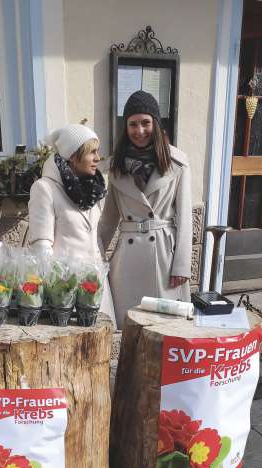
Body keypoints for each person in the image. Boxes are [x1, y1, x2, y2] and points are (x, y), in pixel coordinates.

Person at [99, 90, 192, 328]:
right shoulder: (117, 166)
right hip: (127, 259)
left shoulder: (178, 163)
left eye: (145, 123)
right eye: (132, 124)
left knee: (164, 327)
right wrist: (94, 257)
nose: (139, 131)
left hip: (163, 255)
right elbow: (109, 221)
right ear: (125, 127)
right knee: (129, 326)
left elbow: (185, 218)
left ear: (156, 124)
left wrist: (182, 265)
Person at [28, 123, 115, 323]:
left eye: (97, 152)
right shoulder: (44, 189)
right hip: (66, 296)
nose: (97, 158)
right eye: (91, 152)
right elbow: (41, 249)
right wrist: (58, 293)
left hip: (96, 289)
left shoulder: (91, 190)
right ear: (74, 157)